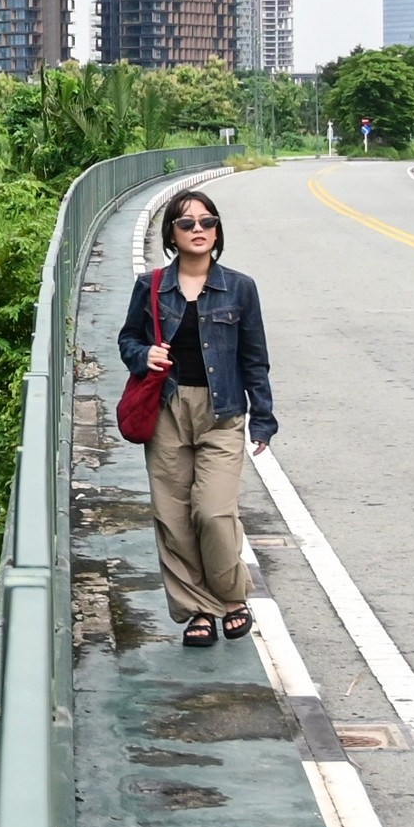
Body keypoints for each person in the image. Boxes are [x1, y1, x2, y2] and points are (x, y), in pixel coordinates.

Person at [116, 189, 277, 648]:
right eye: (187, 224)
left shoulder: (239, 287)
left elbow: (254, 358)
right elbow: (128, 339)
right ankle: (197, 609)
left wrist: (263, 418)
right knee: (173, 515)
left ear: (217, 229)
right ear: (171, 233)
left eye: (208, 221)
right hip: (167, 408)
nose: (199, 230)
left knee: (212, 510)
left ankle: (230, 598)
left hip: (222, 411)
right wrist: (143, 354)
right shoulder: (150, 287)